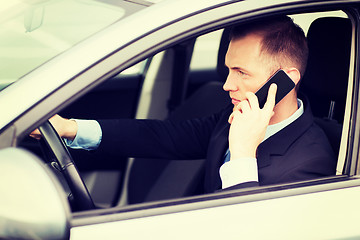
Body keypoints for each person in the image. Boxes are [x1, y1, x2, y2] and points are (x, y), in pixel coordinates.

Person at [32, 16, 336, 193]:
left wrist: (243, 155)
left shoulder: (309, 165)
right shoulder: (235, 118)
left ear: (286, 79)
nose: (228, 85)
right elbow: (164, 136)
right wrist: (70, 128)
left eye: (241, 72)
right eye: (228, 69)